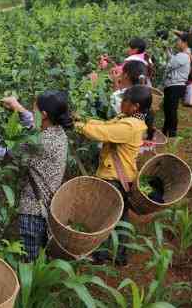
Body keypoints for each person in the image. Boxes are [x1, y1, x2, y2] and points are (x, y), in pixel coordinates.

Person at [0, 90, 72, 262]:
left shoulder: (37, 142)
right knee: (41, 258)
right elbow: (36, 124)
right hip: (48, 207)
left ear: (44, 115)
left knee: (29, 261)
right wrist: (18, 108)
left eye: (34, 108)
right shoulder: (58, 132)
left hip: (33, 211)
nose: (31, 110)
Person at [75, 85, 153, 266]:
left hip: (115, 178)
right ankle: (120, 257)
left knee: (103, 216)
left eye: (125, 100)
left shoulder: (131, 126)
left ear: (135, 106)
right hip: (123, 177)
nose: (121, 103)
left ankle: (100, 256)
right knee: (120, 217)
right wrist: (82, 120)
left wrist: (76, 126)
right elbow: (104, 124)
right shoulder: (126, 119)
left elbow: (104, 133)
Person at [162, 32, 191, 138]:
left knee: (171, 109)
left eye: (179, 41)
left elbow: (169, 64)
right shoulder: (182, 55)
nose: (177, 43)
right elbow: (173, 59)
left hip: (176, 86)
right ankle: (165, 130)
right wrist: (166, 48)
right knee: (168, 108)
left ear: (185, 43)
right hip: (173, 85)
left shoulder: (183, 55)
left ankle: (172, 133)